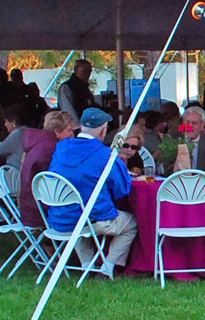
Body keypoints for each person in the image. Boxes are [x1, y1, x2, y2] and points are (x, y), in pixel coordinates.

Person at [44, 108, 137, 278]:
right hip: (91, 219)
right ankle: (107, 267)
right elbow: (122, 189)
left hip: (60, 217)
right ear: (103, 130)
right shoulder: (104, 154)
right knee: (130, 223)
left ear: (80, 127)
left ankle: (87, 265)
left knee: (78, 215)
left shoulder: (61, 149)